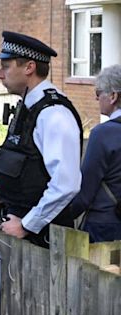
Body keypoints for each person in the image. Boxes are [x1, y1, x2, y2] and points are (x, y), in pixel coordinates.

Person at [0, 31, 83, 248]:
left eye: (6, 66)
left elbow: (66, 184)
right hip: (22, 233)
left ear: (29, 67)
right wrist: (5, 202)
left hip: (45, 241)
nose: (0, 75)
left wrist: (27, 225)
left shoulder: (54, 114)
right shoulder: (27, 107)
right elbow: (27, 167)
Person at [70, 64, 121, 242]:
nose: (95, 98)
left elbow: (85, 191)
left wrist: (57, 218)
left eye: (99, 93)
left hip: (105, 226)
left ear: (113, 96)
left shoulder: (103, 133)